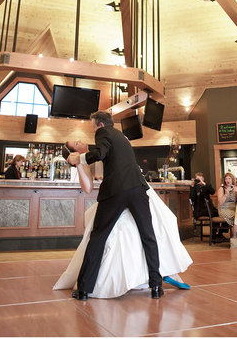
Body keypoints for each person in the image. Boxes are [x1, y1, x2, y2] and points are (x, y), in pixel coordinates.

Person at [54, 143, 192, 298]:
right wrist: (79, 164)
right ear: (74, 153)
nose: (80, 142)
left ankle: (165, 271)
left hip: (132, 189)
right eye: (76, 143)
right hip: (118, 195)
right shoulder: (89, 156)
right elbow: (87, 188)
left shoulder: (100, 147)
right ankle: (139, 278)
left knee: (162, 223)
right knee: (128, 233)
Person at [63, 111, 163, 300]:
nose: (92, 130)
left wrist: (79, 159)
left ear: (100, 125)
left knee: (98, 236)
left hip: (116, 191)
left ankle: (84, 289)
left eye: (93, 126)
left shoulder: (103, 133)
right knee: (148, 235)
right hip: (137, 188)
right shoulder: (122, 137)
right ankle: (156, 286)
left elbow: (100, 154)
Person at [217, 172, 237, 238]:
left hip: (234, 210)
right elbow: (220, 203)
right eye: (226, 179)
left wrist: (236, 190)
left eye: (229, 178)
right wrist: (226, 194)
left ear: (232, 180)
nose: (227, 180)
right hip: (224, 209)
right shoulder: (221, 189)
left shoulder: (235, 188)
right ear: (224, 180)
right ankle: (234, 238)